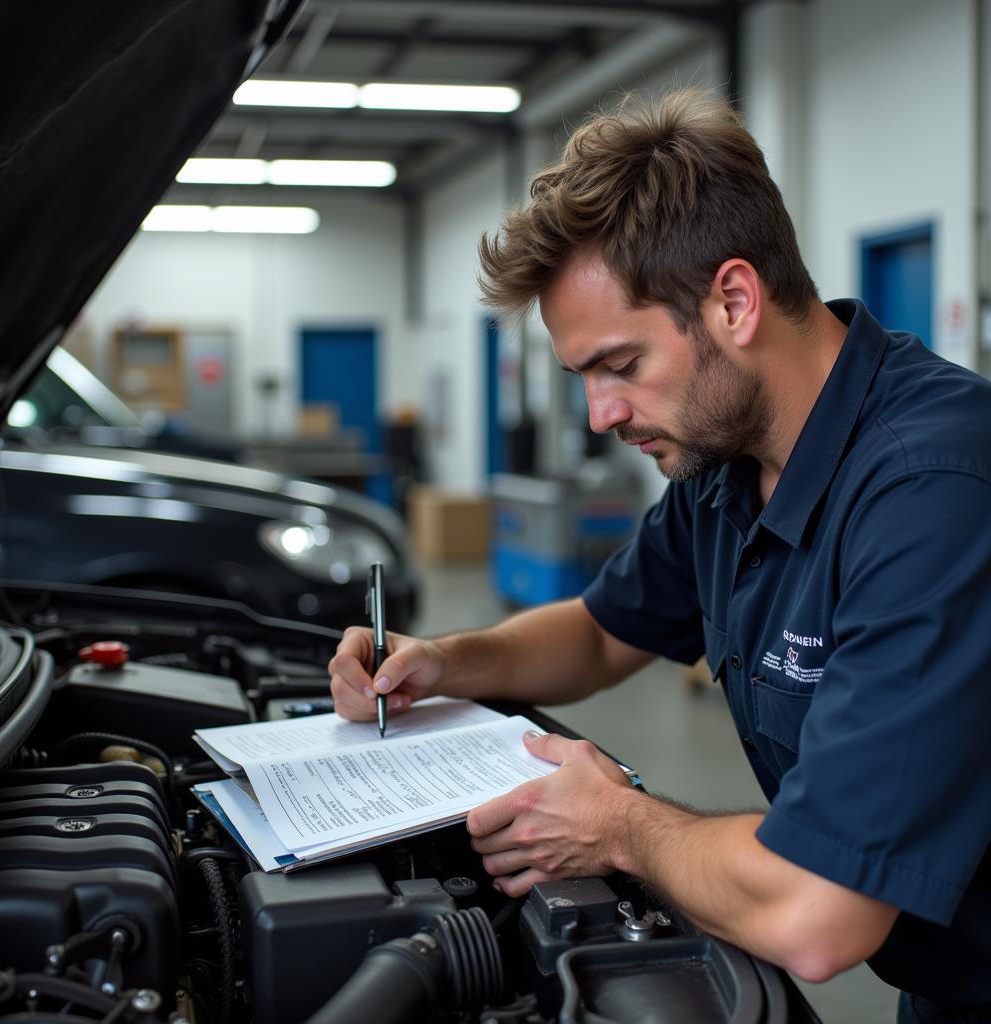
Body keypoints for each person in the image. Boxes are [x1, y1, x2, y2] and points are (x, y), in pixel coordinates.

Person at [329, 88, 991, 1021]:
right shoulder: (729, 465)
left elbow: (818, 914)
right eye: (584, 378)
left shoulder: (937, 490)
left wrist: (621, 827)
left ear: (733, 300)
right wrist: (442, 663)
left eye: (621, 365)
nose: (601, 416)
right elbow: (601, 634)